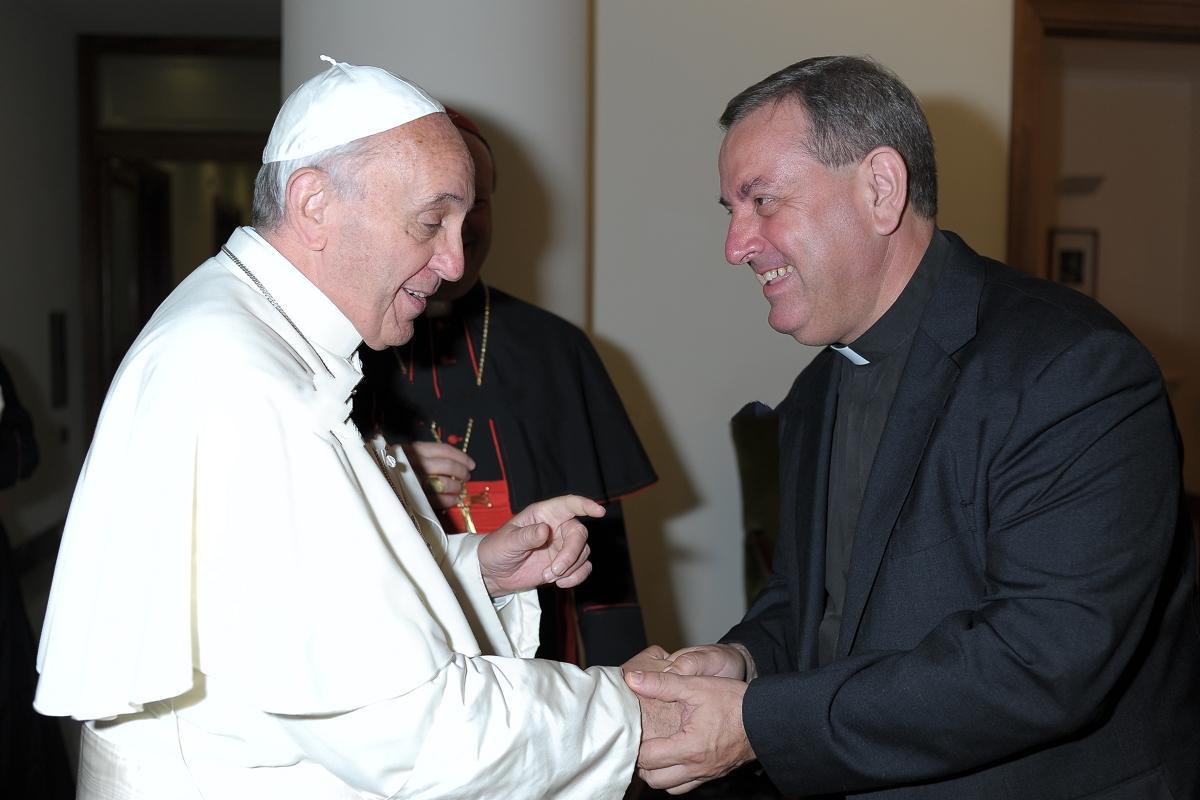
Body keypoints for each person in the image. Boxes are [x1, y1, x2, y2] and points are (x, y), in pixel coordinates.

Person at [33, 56, 676, 799]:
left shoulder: (245, 331)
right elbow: (411, 730)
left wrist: (476, 570)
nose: (454, 261)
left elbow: (302, 626)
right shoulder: (247, 383)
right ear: (313, 205)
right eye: (431, 222)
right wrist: (634, 713)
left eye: (465, 224)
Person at [625, 55, 1200, 798]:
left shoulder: (1073, 368)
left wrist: (757, 721)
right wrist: (740, 663)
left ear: (880, 189)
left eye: (762, 202)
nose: (737, 246)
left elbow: (1043, 660)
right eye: (731, 211)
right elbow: (813, 601)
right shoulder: (818, 387)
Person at [353, 106, 657, 668]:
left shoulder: (554, 349)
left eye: (478, 204)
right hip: (388, 659)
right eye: (435, 211)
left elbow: (603, 549)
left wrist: (628, 692)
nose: (461, 231)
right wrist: (393, 476)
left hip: (541, 665)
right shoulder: (338, 348)